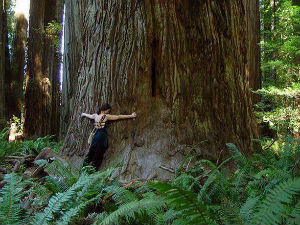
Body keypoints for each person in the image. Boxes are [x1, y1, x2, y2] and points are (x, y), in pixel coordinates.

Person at [81, 103, 136, 170]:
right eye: (108, 110)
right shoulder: (106, 116)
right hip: (102, 136)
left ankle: (84, 167)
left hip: (96, 135)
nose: (108, 111)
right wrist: (131, 115)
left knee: (91, 151)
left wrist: (83, 114)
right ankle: (93, 169)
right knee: (99, 153)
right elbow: (119, 116)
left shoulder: (95, 116)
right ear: (105, 110)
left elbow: (89, 115)